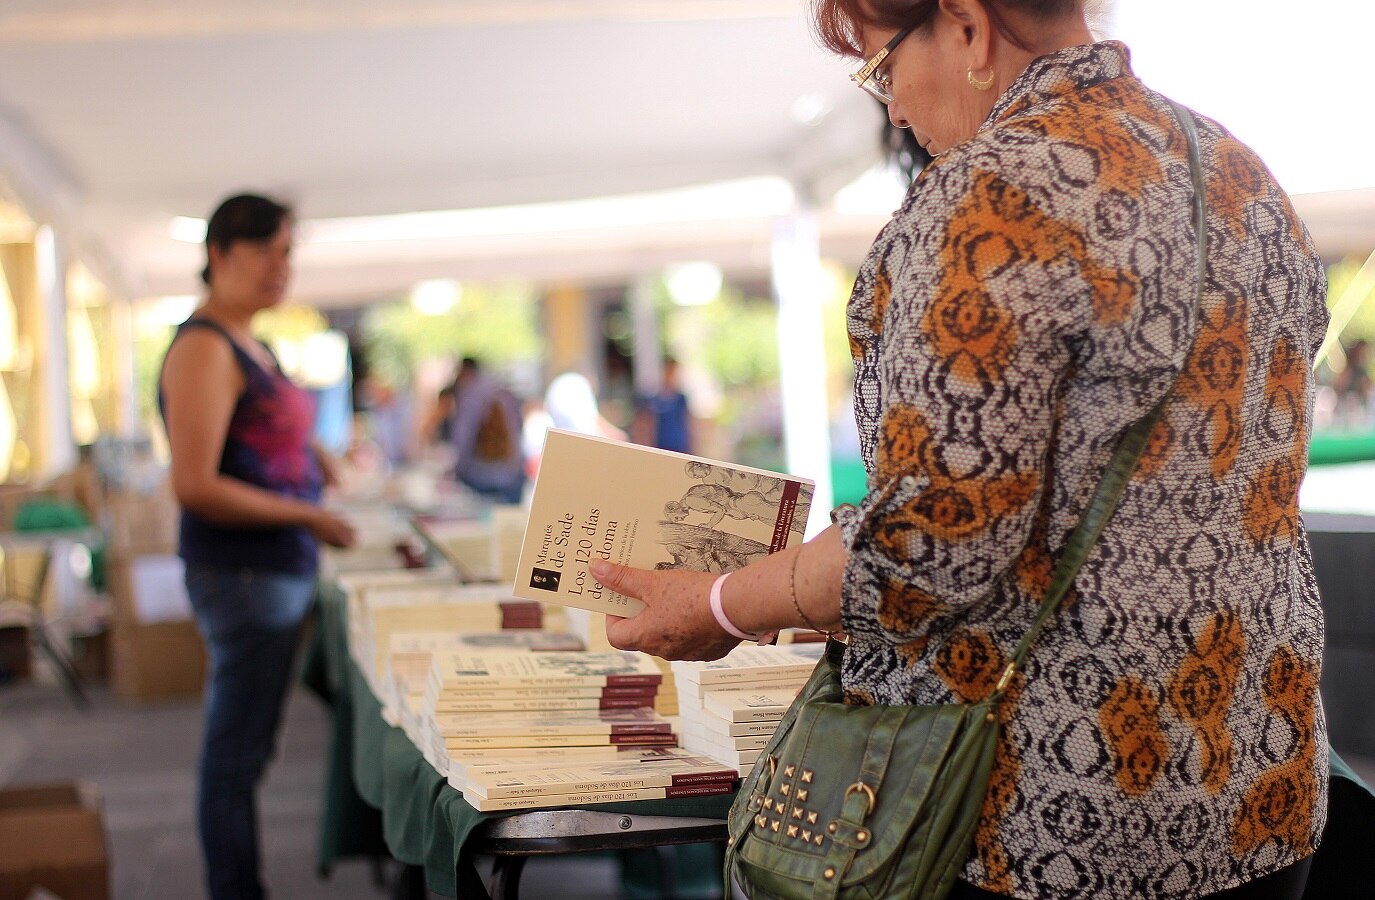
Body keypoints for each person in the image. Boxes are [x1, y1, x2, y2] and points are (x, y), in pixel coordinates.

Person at [591, 3, 1329, 899]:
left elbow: (928, 545)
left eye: (881, 66)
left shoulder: (992, 193)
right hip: (1258, 772)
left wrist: (718, 602)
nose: (892, 108)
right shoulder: (1237, 171)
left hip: (1057, 806)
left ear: (968, 27)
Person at [158, 193, 356, 900]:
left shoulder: (251, 341)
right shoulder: (205, 346)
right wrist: (305, 517)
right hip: (243, 572)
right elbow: (195, 483)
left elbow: (274, 431)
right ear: (219, 254)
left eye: (288, 252)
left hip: (272, 569)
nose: (283, 267)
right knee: (234, 756)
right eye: (268, 251)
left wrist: (322, 463)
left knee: (248, 748)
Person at [450, 357, 526, 503]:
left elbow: (462, 435)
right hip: (508, 476)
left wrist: (458, 469)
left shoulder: (470, 394)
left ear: (464, 370)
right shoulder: (501, 391)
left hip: (478, 475)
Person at [633, 357, 694, 453]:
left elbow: (687, 421)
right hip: (660, 445)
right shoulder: (653, 398)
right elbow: (645, 422)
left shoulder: (681, 399)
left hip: (679, 445)